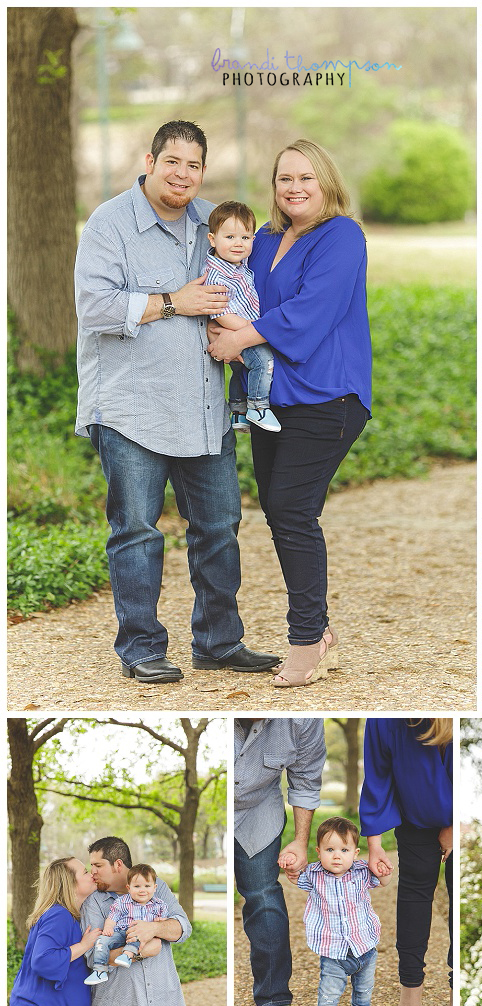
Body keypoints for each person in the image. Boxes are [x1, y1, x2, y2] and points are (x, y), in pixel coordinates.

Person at [74, 118, 281, 683]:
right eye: (172, 162)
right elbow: (94, 309)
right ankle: (141, 647)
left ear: (202, 171)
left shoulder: (212, 223)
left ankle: (218, 642)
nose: (182, 174)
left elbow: (258, 272)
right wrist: (173, 301)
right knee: (137, 530)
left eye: (193, 165)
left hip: (202, 408)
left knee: (218, 526)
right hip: (130, 409)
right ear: (150, 161)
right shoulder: (110, 224)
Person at [207, 139, 372, 689]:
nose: (294, 187)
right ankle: (317, 629)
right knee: (282, 513)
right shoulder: (267, 239)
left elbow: (311, 311)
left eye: (305, 177)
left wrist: (238, 340)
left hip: (329, 394)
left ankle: (305, 638)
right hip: (271, 397)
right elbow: (238, 291)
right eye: (284, 179)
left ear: (326, 180)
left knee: (289, 508)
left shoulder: (342, 235)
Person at [234, 718, 327, 1006]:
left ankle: (274, 999)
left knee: (262, 895)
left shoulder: (302, 719)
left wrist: (300, 841)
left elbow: (305, 780)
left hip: (258, 810)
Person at [360, 718, 454, 1006]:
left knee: (461, 905)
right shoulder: (383, 721)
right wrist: (374, 844)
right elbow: (378, 777)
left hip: (463, 818)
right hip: (413, 818)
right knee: (414, 898)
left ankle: (458, 992)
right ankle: (411, 986)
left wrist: (455, 827)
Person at [79, 836, 193, 1006]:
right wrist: (140, 951)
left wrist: (154, 928)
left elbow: (183, 928)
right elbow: (94, 956)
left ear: (118, 865)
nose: (92, 871)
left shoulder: (157, 888)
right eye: (91, 866)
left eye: (97, 865)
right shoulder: (93, 903)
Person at [288, 817, 384, 1006]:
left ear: (356, 852)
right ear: (318, 852)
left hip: (364, 943)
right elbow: (294, 878)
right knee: (330, 989)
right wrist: (290, 865)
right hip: (333, 948)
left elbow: (383, 880)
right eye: (329, 849)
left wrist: (383, 868)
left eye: (344, 849)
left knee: (365, 985)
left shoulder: (362, 872)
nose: (337, 855)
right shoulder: (313, 875)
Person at [203, 200, 280, 432]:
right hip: (237, 330)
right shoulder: (217, 274)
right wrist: (251, 330)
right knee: (264, 362)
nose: (238, 244)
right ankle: (258, 406)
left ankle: (238, 412)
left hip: (239, 330)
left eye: (245, 238)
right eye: (230, 238)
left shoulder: (237, 264)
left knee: (239, 370)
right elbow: (221, 313)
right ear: (212, 239)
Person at [8, 858, 100, 1006]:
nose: (91, 874)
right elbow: (43, 961)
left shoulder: (68, 915)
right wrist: (84, 945)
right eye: (84, 872)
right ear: (69, 883)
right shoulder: (59, 914)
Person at [84, 862, 166, 984]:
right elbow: (112, 917)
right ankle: (100, 971)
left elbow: (162, 924)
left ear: (154, 887)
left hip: (140, 934)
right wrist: (108, 928)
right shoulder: (122, 902)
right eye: (137, 886)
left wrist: (159, 923)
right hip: (121, 932)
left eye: (147, 886)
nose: (142, 890)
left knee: (137, 934)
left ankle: (127, 956)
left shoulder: (159, 905)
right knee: (101, 941)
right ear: (129, 888)